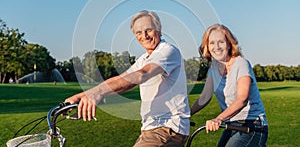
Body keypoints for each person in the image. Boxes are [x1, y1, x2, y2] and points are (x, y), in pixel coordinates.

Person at [65, 10, 190, 146]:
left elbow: (142, 75)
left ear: (159, 29)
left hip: (167, 128)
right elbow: (120, 79)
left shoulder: (167, 51)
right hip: (150, 129)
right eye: (139, 32)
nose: (144, 36)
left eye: (149, 30)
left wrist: (99, 93)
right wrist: (80, 96)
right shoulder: (144, 59)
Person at [190, 24, 268, 147]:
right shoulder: (213, 70)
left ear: (229, 44)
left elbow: (242, 98)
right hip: (231, 125)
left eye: (221, 42)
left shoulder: (241, 63)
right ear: (207, 47)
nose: (216, 47)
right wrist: (186, 115)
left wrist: (218, 119)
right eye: (212, 43)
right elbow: (205, 97)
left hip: (252, 125)